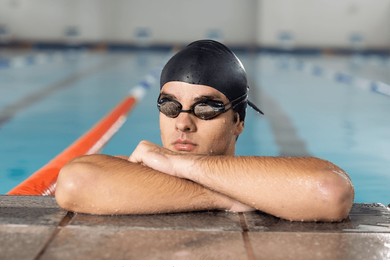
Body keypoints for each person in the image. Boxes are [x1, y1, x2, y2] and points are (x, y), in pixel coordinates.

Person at [55, 40, 354, 221]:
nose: (183, 123)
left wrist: (176, 164)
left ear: (239, 121)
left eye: (206, 108)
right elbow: (75, 182)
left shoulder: (150, 166)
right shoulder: (264, 186)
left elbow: (330, 190)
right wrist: (235, 196)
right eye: (170, 106)